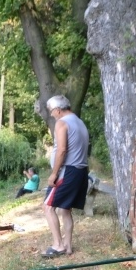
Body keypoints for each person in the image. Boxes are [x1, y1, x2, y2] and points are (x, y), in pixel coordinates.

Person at [42, 95, 90, 258]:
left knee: (48, 207)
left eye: (51, 111)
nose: (51, 115)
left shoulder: (62, 123)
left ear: (58, 110)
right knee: (65, 209)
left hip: (67, 171)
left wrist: (54, 174)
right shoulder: (79, 122)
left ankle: (58, 245)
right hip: (81, 171)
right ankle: (68, 246)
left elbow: (62, 150)